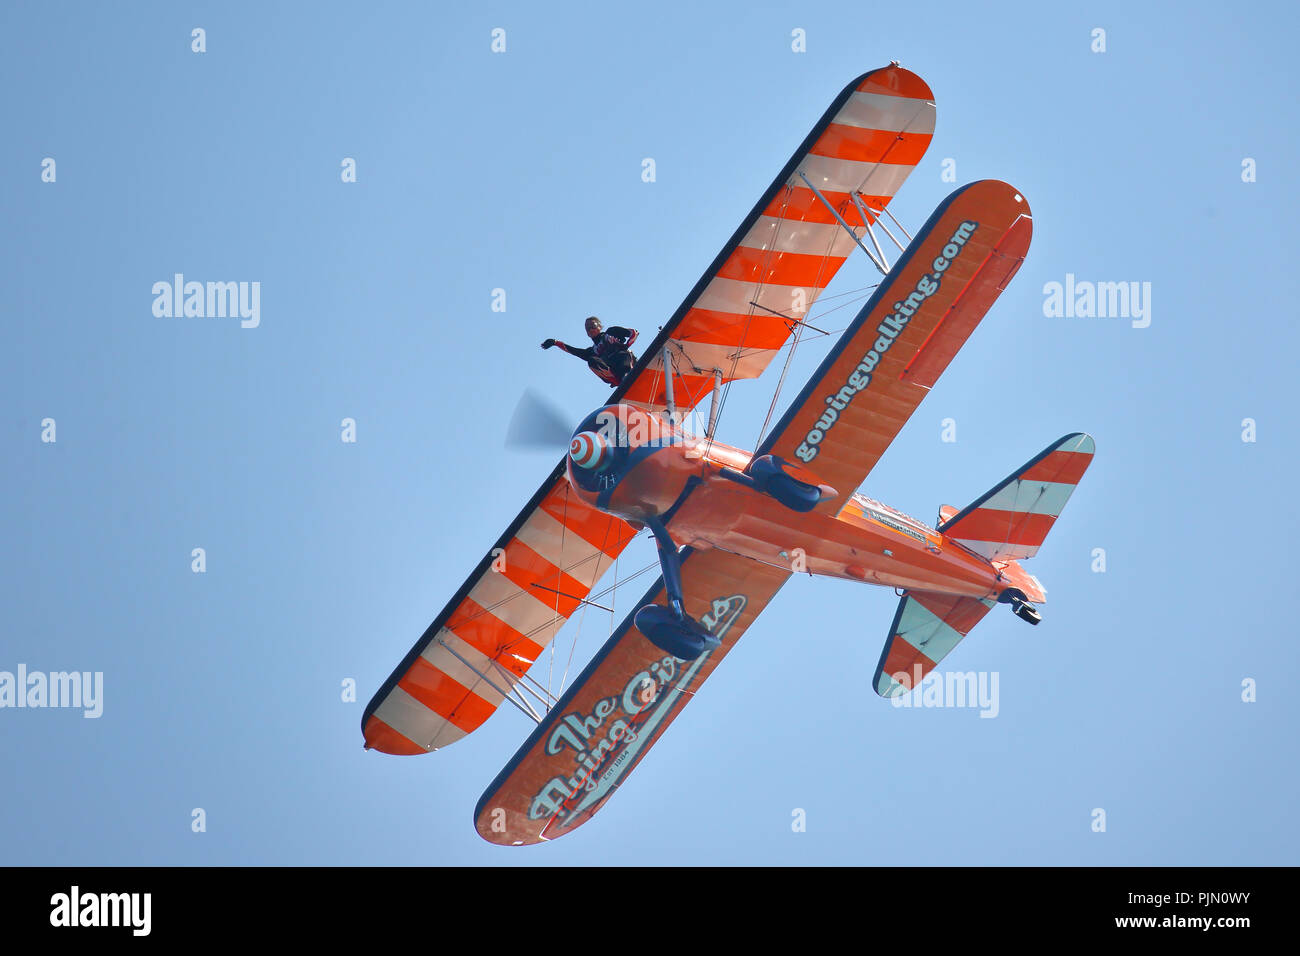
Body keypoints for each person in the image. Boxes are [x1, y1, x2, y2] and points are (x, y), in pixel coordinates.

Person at [541, 316, 639, 386]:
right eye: (588, 328)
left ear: (600, 327)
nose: (591, 329)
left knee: (623, 355)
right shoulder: (592, 351)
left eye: (593, 325)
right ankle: (617, 380)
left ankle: (627, 374)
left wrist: (626, 345)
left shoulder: (611, 332)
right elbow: (574, 351)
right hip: (613, 370)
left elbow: (633, 332)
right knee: (592, 361)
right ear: (587, 333)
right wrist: (555, 342)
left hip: (626, 360)